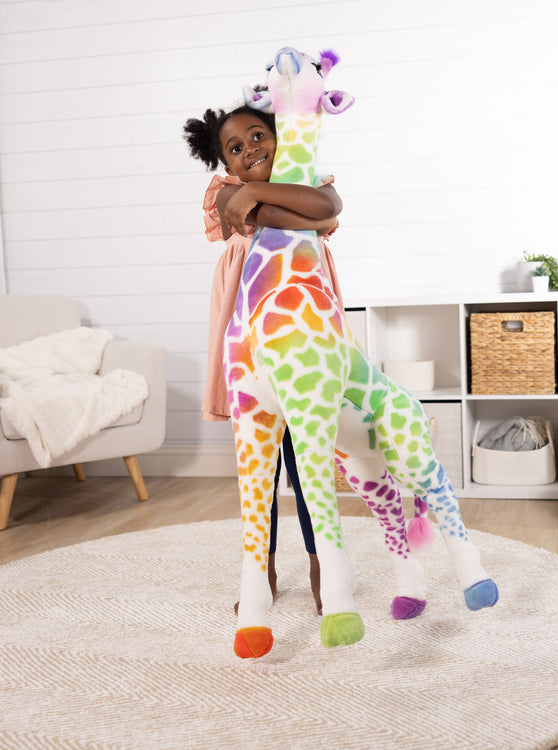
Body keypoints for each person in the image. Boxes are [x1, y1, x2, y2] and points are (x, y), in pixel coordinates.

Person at [183, 101, 345, 615]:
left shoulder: (302, 179)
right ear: (226, 167)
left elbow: (329, 206)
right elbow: (313, 213)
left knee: (307, 456)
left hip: (302, 330)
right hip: (251, 328)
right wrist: (272, 201)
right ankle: (264, 567)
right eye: (236, 148)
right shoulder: (227, 194)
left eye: (258, 136)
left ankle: (323, 564)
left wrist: (266, 196)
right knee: (261, 464)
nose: (250, 149)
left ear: (280, 137)